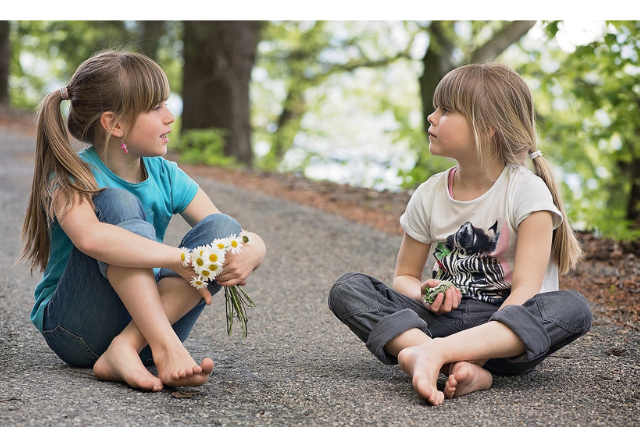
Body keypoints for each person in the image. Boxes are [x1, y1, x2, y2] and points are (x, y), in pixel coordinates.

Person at [328, 62, 592, 406]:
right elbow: (405, 276)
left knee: (573, 308)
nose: (431, 117)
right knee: (349, 288)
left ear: (487, 128)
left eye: (447, 110)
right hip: (437, 322)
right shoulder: (430, 192)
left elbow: (525, 293)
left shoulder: (527, 193)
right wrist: (426, 292)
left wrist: (475, 355)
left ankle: (427, 355)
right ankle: (438, 358)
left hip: (503, 337)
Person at [18, 50, 266, 392]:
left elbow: (229, 232)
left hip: (148, 328)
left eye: (166, 104)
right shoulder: (71, 176)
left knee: (223, 229)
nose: (170, 117)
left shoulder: (166, 175)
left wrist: (255, 249)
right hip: (77, 330)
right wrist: (180, 259)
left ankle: (128, 347)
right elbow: (91, 239)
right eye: (155, 108)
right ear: (114, 124)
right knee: (118, 202)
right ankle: (162, 346)